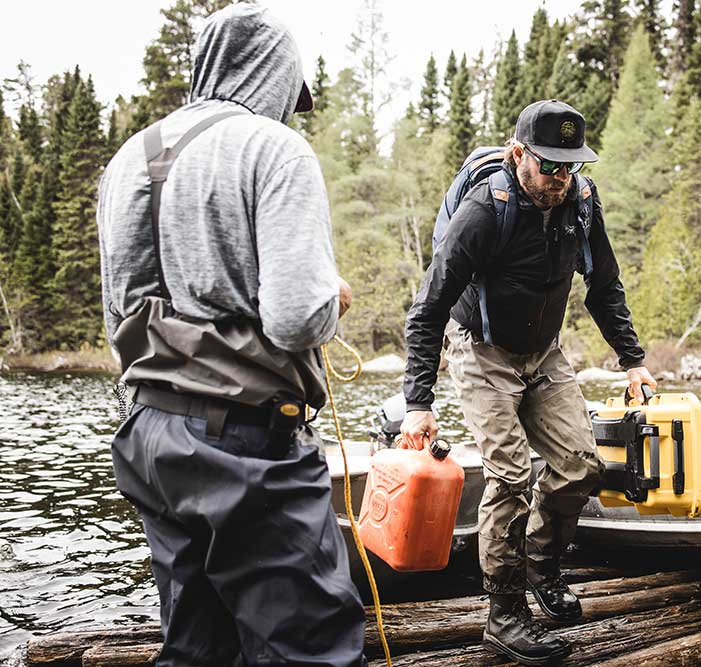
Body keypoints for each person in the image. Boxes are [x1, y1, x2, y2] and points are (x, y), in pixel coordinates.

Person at [97, 5, 366, 666]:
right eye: (290, 94)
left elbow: (120, 318)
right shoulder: (274, 149)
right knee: (311, 651)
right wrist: (333, 299)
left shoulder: (130, 157)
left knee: (196, 648)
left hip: (150, 441)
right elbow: (296, 318)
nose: (291, 111)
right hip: (246, 450)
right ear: (274, 75)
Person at [400, 99, 656, 665]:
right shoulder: (484, 212)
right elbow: (428, 307)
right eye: (550, 166)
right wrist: (418, 401)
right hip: (481, 350)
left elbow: (604, 286)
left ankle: (541, 564)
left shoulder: (582, 203)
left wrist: (632, 359)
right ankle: (504, 615)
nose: (562, 179)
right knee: (512, 474)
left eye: (573, 166)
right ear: (519, 155)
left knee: (580, 465)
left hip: (544, 352)